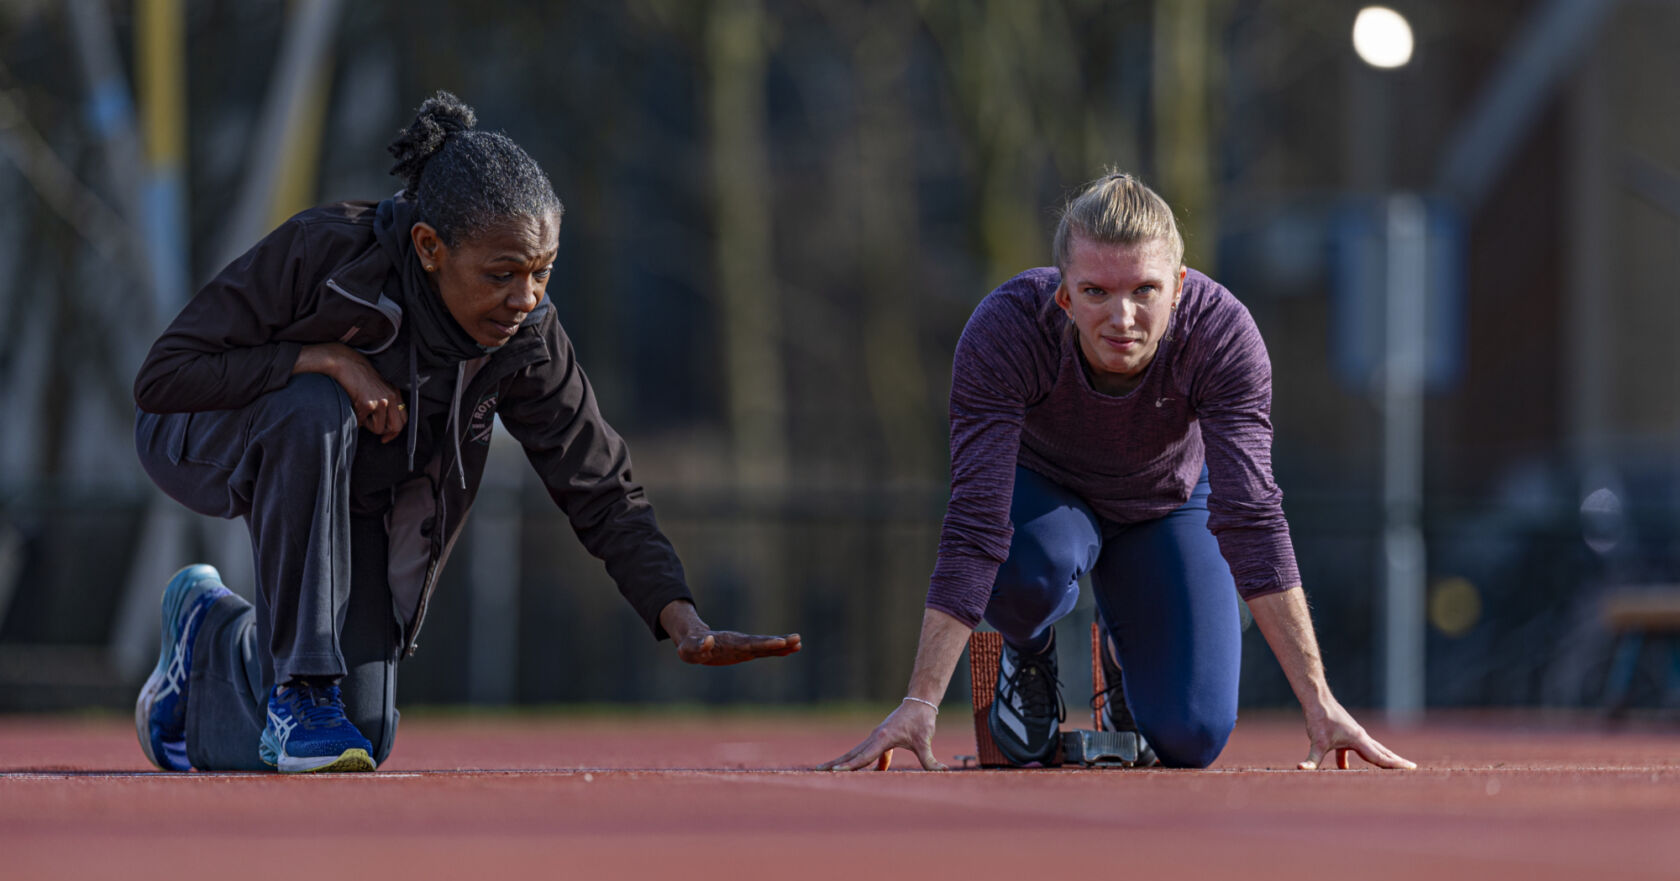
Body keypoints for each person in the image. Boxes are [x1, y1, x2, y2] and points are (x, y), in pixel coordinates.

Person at [133, 91, 800, 774]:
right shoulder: (324, 249)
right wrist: (325, 358)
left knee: (358, 733)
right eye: (502, 273)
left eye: (543, 271)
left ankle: (210, 637)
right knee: (317, 407)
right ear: (429, 247)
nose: (527, 297)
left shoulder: (524, 336)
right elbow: (164, 376)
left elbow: (600, 483)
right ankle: (300, 689)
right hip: (207, 431)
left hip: (351, 497)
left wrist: (679, 615)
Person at [821, 171, 1413, 773]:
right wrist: (920, 702)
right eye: (1097, 292)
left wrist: (1319, 703)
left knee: (1193, 737)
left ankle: (1122, 648)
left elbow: (1252, 517)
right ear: (1064, 296)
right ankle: (1027, 647)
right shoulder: (1005, 331)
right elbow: (976, 521)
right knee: (1030, 569)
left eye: (1144, 290)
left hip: (1167, 498)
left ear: (1179, 288)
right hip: (1044, 498)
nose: (1122, 318)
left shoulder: (1222, 335)